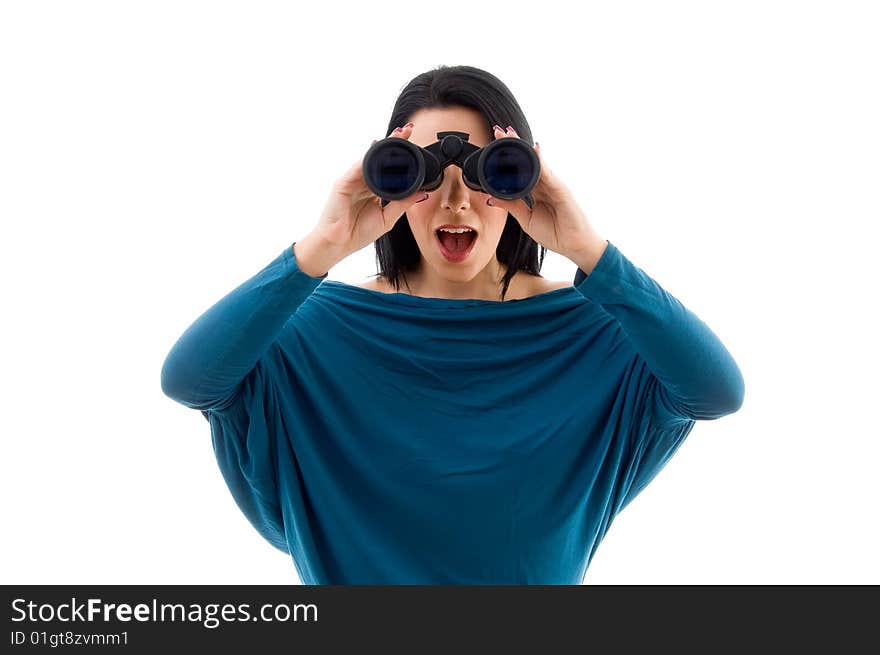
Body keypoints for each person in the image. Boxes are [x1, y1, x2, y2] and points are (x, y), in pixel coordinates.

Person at [160, 65, 744, 584]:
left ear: (526, 177)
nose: (455, 200)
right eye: (424, 175)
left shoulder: (591, 333)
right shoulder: (316, 332)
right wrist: (323, 246)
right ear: (386, 180)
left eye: (489, 172)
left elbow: (717, 391)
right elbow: (189, 379)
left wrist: (587, 249)